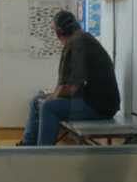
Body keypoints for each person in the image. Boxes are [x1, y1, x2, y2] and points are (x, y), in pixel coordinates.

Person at [18, 10, 120, 146]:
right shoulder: (82, 39)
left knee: (48, 107)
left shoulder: (77, 43)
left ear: (58, 32)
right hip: (95, 101)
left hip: (99, 107)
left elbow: (71, 88)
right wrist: (50, 95)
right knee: (37, 101)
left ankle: (42, 154)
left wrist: (51, 97)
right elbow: (70, 86)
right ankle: (27, 147)